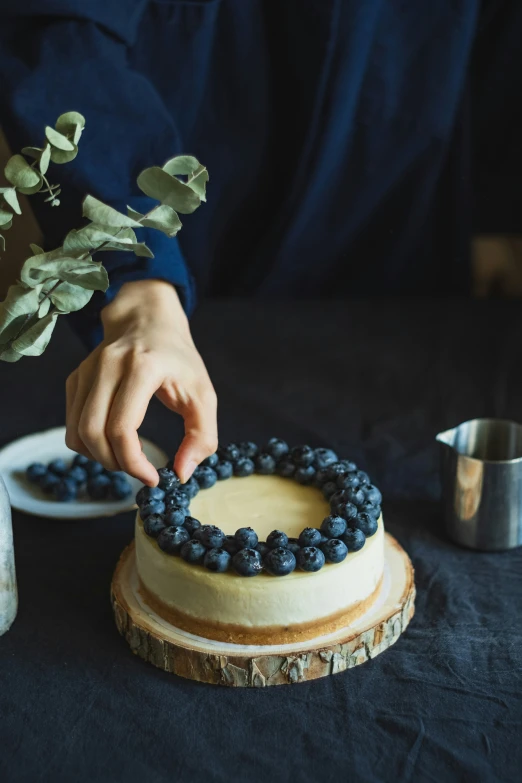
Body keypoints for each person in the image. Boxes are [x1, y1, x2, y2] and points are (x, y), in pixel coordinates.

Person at [1, 1, 521, 486]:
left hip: (402, 259)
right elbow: (62, 27)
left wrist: (498, 218)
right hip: (199, 274)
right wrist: (140, 285)